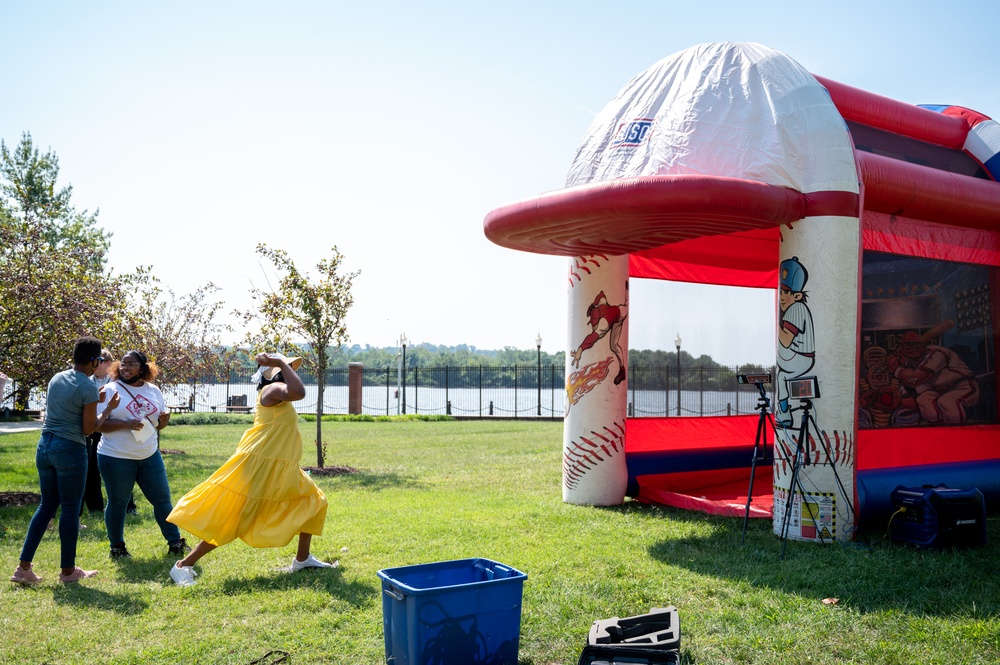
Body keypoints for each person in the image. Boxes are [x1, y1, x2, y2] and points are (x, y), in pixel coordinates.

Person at [167, 353, 334, 586]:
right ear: (273, 373)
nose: (290, 371)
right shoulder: (272, 390)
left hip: (279, 466)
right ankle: (183, 565)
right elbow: (300, 392)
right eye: (286, 368)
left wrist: (280, 364)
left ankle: (303, 558)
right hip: (259, 465)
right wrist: (280, 362)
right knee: (236, 518)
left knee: (313, 501)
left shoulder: (277, 393)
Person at [10, 336, 118, 585]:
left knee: (46, 505)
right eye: (99, 360)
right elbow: (89, 429)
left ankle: (23, 568)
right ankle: (68, 572)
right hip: (70, 449)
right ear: (93, 361)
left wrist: (94, 400)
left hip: (45, 446)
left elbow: (68, 405)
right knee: (70, 509)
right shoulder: (88, 387)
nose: (99, 364)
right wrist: (108, 408)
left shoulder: (57, 378)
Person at [96, 350, 188, 559]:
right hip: (115, 456)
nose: (126, 368)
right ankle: (117, 547)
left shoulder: (154, 390)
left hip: (149, 454)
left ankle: (175, 543)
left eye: (132, 364)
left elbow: (156, 424)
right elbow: (97, 425)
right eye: (123, 364)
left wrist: (163, 422)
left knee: (163, 500)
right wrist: (125, 424)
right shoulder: (110, 390)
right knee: (118, 502)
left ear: (143, 367)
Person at [886, 330, 980, 425]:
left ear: (923, 344)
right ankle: (937, 429)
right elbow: (912, 387)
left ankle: (955, 434)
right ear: (902, 348)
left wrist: (896, 369)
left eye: (916, 344)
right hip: (939, 390)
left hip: (963, 385)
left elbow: (914, 380)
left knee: (946, 401)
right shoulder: (910, 362)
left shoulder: (936, 353)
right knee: (923, 400)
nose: (913, 348)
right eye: (908, 345)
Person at [775, 256, 815, 427]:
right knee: (782, 376)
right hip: (798, 358)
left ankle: (784, 412)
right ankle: (784, 412)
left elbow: (785, 341)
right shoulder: (795, 308)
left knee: (781, 376)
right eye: (781, 292)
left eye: (786, 293)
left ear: (797, 295)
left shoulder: (796, 308)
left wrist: (776, 325)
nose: (782, 297)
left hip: (799, 357)